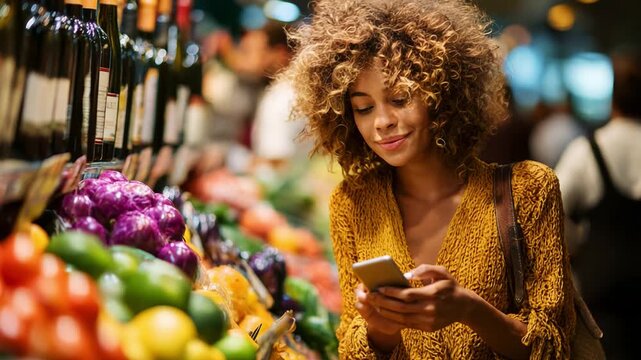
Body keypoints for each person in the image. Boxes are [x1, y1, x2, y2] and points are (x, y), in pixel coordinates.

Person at [284, 0, 576, 358]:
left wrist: (470, 310)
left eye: (400, 98)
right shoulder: (353, 202)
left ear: (442, 95)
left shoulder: (530, 189)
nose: (382, 121)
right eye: (364, 107)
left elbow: (555, 346)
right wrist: (381, 328)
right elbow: (350, 345)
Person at [555, 49, 641, 359]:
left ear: (612, 98)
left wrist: (574, 242)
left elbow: (551, 210)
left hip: (603, 286)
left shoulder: (588, 150)